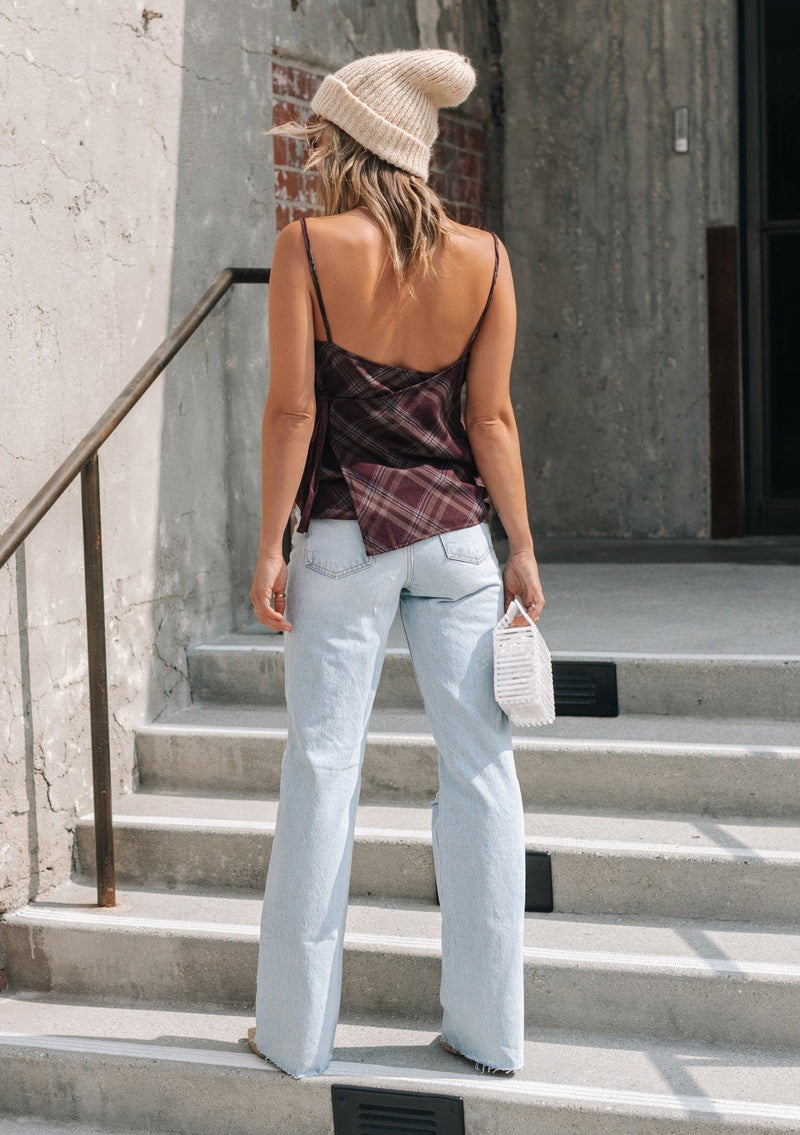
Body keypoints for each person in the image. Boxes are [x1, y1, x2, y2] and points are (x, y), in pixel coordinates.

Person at [246, 47, 545, 1080]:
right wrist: (521, 546)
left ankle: (293, 1035)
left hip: (340, 539)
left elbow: (294, 410)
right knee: (479, 773)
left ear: (356, 146)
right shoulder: (487, 258)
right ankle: (488, 1030)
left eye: (325, 140)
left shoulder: (307, 246)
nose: (315, 156)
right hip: (459, 537)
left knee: (323, 770)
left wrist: (265, 543)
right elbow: (491, 417)